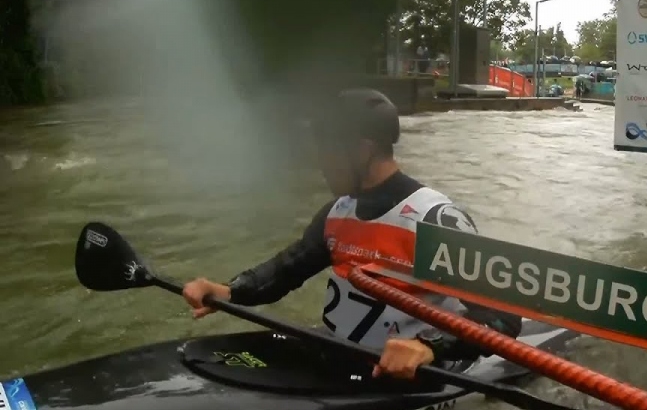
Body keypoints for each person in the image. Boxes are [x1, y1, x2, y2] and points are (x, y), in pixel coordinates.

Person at [181, 88, 521, 380]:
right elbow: (286, 270)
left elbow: (504, 317)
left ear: (361, 150)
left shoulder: (434, 221)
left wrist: (429, 348)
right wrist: (228, 291)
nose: (320, 163)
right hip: (345, 360)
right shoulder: (338, 212)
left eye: (326, 151)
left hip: (421, 373)